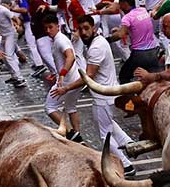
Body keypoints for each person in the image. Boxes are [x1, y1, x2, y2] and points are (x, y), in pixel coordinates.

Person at [51, 15, 137, 178]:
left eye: (86, 29)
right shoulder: (100, 42)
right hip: (109, 94)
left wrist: (67, 88)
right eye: (80, 29)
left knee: (105, 134)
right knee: (110, 124)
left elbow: (89, 75)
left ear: (94, 29)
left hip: (103, 97)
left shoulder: (95, 48)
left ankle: (126, 165)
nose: (83, 32)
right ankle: (129, 144)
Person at [42, 14, 84, 142]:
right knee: (71, 107)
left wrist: (62, 74)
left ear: (57, 26)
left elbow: (70, 56)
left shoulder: (60, 40)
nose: (48, 31)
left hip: (66, 81)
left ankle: (70, 132)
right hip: (75, 78)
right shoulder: (59, 39)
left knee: (50, 107)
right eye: (46, 28)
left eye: (51, 27)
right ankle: (77, 136)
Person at [108, 0, 160, 83]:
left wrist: (107, 39)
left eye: (120, 4)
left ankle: (130, 97)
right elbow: (137, 28)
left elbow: (120, 35)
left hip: (140, 54)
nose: (120, 7)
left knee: (124, 76)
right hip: (154, 50)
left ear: (125, 3)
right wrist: (120, 29)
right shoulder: (143, 11)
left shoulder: (127, 17)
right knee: (153, 79)